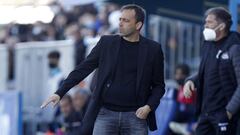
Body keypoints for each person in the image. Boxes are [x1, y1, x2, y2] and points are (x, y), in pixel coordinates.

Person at [41, 4, 165, 135]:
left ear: (138, 25)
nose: (121, 23)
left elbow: (159, 86)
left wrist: (149, 107)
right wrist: (60, 92)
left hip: (136, 116)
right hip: (105, 113)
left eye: (126, 20)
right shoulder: (107, 43)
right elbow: (83, 69)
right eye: (120, 19)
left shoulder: (153, 49)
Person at [183, 7, 240, 135]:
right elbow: (209, 71)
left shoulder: (234, 47)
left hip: (224, 115)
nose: (205, 25)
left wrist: (230, 111)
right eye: (205, 22)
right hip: (206, 113)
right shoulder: (208, 44)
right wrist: (191, 80)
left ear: (221, 26)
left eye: (209, 22)